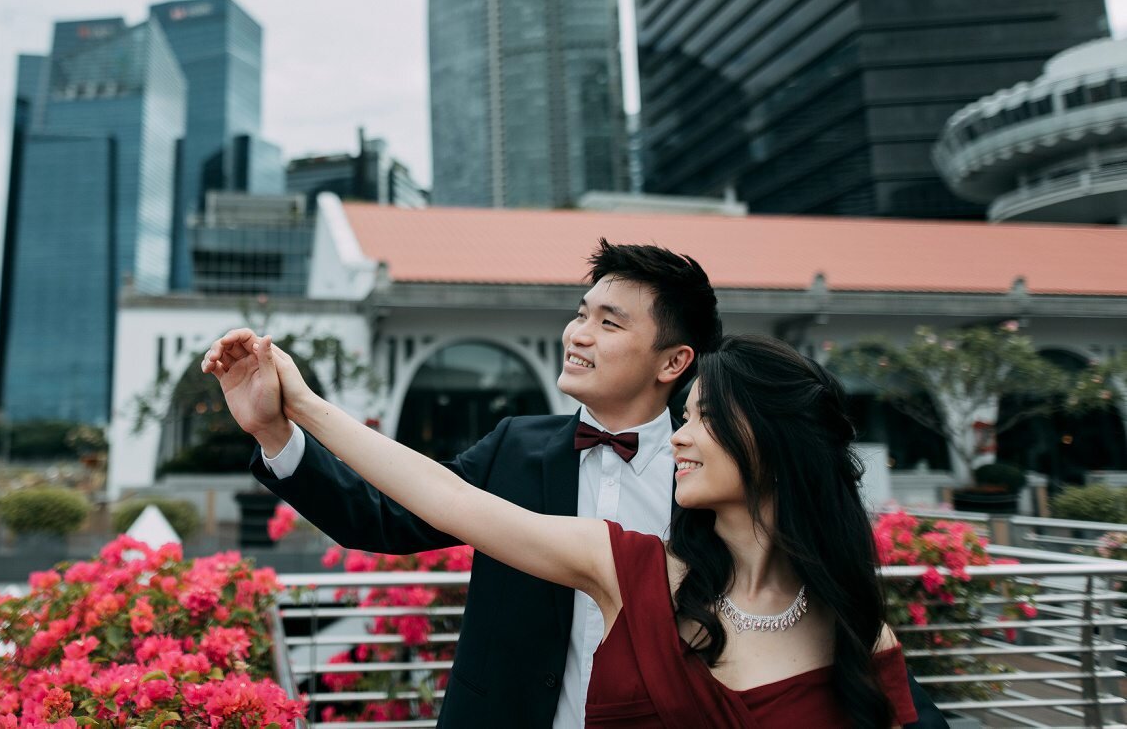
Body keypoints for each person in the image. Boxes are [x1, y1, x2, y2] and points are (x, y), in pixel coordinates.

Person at [203, 241, 946, 727]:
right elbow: (398, 514)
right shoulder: (521, 452)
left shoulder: (728, 520)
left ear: (673, 360)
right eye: (580, 313)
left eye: (609, 322)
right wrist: (281, 425)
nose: (577, 334)